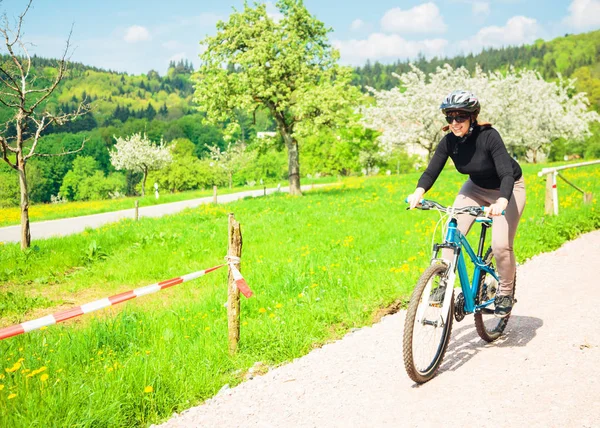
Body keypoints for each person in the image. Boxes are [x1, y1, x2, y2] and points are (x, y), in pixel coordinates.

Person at [406, 89, 526, 317]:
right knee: (450, 235)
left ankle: (505, 292)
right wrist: (418, 193)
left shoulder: (489, 136)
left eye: (460, 117)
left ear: (472, 116)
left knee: (501, 245)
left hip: (507, 188)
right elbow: (431, 171)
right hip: (476, 188)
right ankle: (442, 285)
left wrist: (502, 201)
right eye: (450, 117)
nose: (454, 122)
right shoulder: (449, 142)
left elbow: (506, 174)